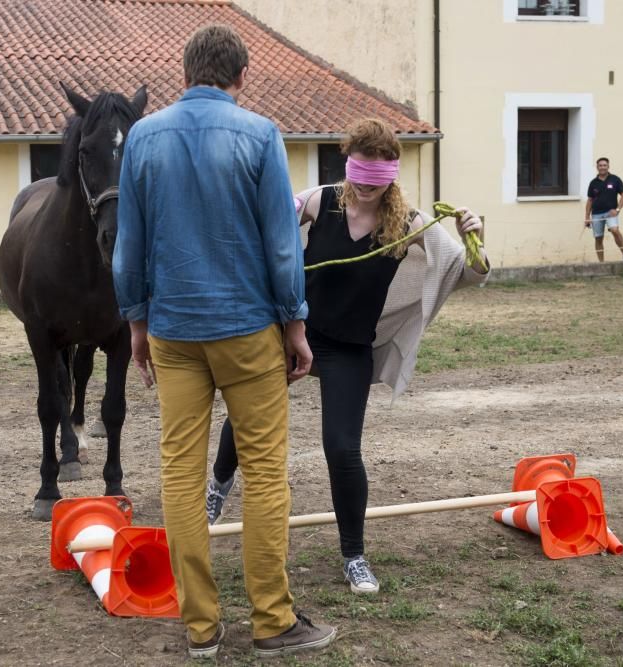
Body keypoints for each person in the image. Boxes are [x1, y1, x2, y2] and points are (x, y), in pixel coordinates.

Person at [114, 24, 335, 660]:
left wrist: (136, 324)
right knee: (265, 472)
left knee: (180, 472)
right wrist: (296, 323)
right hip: (247, 329)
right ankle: (272, 621)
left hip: (174, 331)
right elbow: (280, 242)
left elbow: (128, 246)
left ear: (185, 74)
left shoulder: (144, 140)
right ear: (242, 77)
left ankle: (200, 627)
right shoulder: (261, 134)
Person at [205, 117, 488, 596]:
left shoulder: (410, 223)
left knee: (342, 449)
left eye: (375, 183)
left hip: (349, 348)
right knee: (247, 411)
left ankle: (354, 555)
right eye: (358, 179)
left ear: (391, 178)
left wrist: (475, 235)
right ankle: (219, 483)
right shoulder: (318, 200)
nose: (364, 191)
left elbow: (469, 272)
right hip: (296, 332)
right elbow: (266, 237)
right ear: (348, 167)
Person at [584, 157, 623, 265]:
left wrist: (617, 209)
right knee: (598, 238)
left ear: (608, 166)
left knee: (614, 230)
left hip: (611, 213)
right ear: (597, 167)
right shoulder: (593, 183)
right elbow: (589, 200)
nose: (602, 167)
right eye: (600, 165)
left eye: (605, 165)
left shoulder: (615, 179)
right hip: (596, 214)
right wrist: (587, 217)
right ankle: (601, 263)